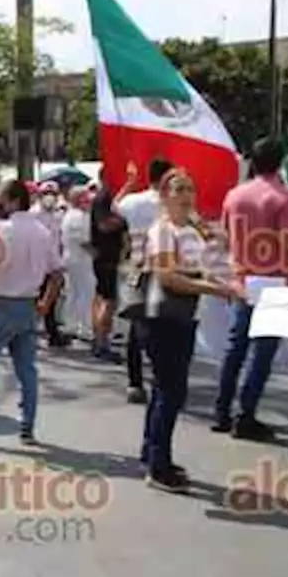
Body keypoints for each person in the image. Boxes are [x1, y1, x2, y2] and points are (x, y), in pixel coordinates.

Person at [214, 137, 288, 440]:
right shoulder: (282, 196)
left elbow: (225, 234)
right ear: (279, 162)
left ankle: (221, 411)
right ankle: (246, 415)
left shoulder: (234, 194)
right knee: (262, 352)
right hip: (273, 279)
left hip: (242, 276)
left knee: (236, 349)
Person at [142, 170, 241, 492]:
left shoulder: (187, 230)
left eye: (191, 188)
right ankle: (159, 467)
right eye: (179, 189)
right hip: (163, 317)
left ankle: (153, 453)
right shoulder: (163, 230)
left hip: (181, 315)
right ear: (165, 195)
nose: (186, 195)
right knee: (172, 392)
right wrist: (213, 290)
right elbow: (168, 277)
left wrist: (217, 284)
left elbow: (202, 263)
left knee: (163, 388)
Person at [0, 180, 62, 447]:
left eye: (2, 199)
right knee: (27, 370)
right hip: (27, 304)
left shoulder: (0, 230)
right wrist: (46, 303)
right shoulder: (42, 232)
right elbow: (56, 273)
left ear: (14, 201)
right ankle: (27, 427)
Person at [116, 157, 174, 404]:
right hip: (165, 268)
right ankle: (162, 376)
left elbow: (113, 208)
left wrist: (128, 184)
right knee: (166, 326)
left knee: (136, 326)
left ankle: (134, 382)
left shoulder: (132, 202)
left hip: (136, 266)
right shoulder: (172, 204)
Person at [88, 169, 129, 363]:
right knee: (108, 301)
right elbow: (104, 224)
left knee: (101, 298)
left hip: (103, 255)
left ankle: (98, 339)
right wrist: (123, 221)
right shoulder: (103, 198)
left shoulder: (104, 198)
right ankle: (102, 342)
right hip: (107, 256)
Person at [31, 181, 68, 347]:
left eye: (53, 194)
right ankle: (30, 331)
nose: (50, 197)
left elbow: (59, 238)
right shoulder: (33, 214)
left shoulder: (57, 214)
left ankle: (52, 332)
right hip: (36, 263)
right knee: (34, 298)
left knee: (51, 298)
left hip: (52, 263)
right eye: (46, 193)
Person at [59, 186, 96, 341]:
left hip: (72, 257)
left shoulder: (70, 215)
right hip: (81, 259)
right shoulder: (78, 217)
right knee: (86, 293)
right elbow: (84, 241)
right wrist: (97, 254)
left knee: (73, 293)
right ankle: (85, 327)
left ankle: (71, 324)